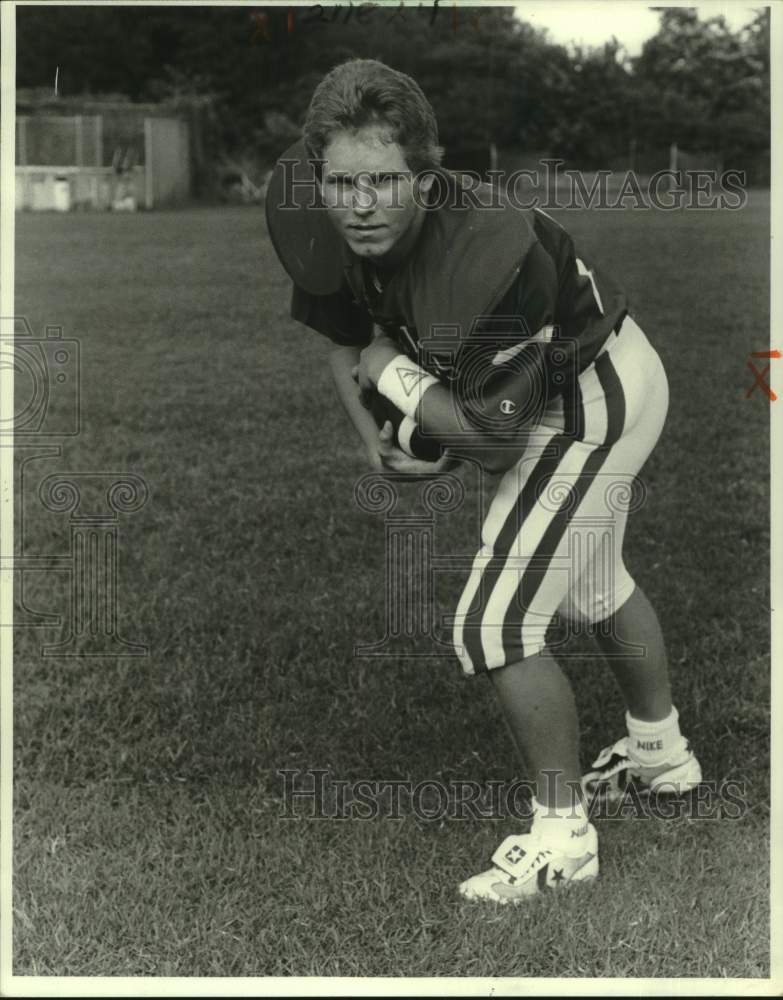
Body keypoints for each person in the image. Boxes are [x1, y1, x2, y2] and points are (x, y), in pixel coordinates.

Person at [265, 58, 702, 904]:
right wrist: (376, 443)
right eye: (341, 181)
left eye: (384, 180)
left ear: (425, 179)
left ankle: (562, 838)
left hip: (590, 396)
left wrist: (400, 383)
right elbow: (344, 340)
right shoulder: (327, 221)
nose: (360, 203)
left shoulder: (487, 251)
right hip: (563, 384)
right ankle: (661, 757)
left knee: (494, 622)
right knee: (592, 582)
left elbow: (493, 442)